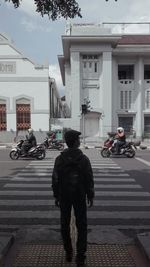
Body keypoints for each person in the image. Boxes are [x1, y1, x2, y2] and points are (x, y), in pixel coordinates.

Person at [52, 129, 94, 267]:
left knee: (65, 224)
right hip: (79, 195)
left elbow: (55, 179)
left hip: (64, 195)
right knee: (81, 225)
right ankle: (80, 256)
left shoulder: (60, 159)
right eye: (78, 140)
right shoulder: (84, 159)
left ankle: (68, 251)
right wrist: (90, 195)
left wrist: (56, 195)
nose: (79, 141)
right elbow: (89, 178)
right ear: (76, 142)